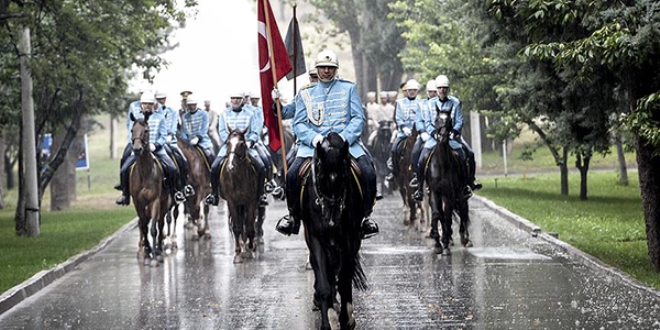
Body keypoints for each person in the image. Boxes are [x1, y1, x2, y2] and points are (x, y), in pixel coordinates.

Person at [274, 49, 379, 239]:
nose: (326, 71)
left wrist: (344, 138)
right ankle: (293, 217)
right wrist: (315, 139)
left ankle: (366, 217)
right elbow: (298, 123)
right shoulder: (305, 93)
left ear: (335, 69)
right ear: (317, 69)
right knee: (291, 176)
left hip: (347, 144)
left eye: (330, 68)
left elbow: (358, 118)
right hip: (313, 146)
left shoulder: (349, 88)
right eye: (323, 68)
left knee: (369, 173)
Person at [411, 74, 482, 201]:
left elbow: (459, 120)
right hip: (434, 139)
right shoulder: (430, 104)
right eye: (440, 88)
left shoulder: (455, 102)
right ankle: (419, 188)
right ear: (437, 89)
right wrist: (434, 134)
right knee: (421, 160)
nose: (442, 90)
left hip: (452, 138)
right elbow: (427, 122)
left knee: (468, 154)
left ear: (448, 89)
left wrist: (453, 133)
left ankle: (467, 184)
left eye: (444, 88)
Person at [116, 92, 185, 205]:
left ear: (153, 104)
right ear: (141, 105)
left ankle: (175, 192)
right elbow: (131, 133)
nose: (147, 106)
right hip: (139, 151)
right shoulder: (136, 120)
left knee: (172, 169)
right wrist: (135, 144)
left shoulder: (160, 118)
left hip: (157, 150)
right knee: (124, 169)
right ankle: (125, 194)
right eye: (145, 104)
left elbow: (163, 136)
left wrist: (156, 145)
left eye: (149, 103)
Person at [205, 91, 269, 207]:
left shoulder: (250, 113)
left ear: (241, 100)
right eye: (233, 98)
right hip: (229, 146)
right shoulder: (224, 114)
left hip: (247, 146)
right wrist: (230, 142)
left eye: (237, 98)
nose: (235, 100)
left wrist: (250, 141)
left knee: (261, 166)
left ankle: (261, 195)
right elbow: (222, 131)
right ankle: (214, 195)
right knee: (214, 167)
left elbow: (255, 130)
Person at [156, 91, 194, 197]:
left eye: (163, 99)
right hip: (154, 143)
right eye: (159, 99)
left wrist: (170, 135)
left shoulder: (171, 111)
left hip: (170, 141)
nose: (161, 101)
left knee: (183, 160)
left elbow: (173, 125)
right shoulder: (152, 113)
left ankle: (184, 186)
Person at [385, 79, 422, 182]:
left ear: (417, 91)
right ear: (407, 91)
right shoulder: (400, 103)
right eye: (410, 90)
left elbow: (423, 117)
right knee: (394, 149)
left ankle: (419, 172)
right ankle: (394, 171)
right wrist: (403, 127)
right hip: (403, 133)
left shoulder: (422, 102)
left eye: (414, 90)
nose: (412, 92)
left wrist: (420, 129)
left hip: (418, 133)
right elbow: (398, 118)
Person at [408, 80, 438, 189]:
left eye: (435, 91)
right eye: (430, 92)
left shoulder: (444, 103)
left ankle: (466, 181)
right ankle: (418, 179)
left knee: (465, 152)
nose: (433, 94)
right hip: (426, 135)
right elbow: (418, 121)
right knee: (416, 153)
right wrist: (422, 132)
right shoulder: (422, 104)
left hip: (443, 135)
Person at [179, 96, 215, 174]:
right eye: (190, 105)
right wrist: (186, 141)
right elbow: (183, 131)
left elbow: (204, 128)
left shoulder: (203, 114)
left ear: (196, 104)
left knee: (210, 155)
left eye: (193, 104)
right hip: (189, 143)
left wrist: (198, 138)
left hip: (203, 142)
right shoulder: (184, 116)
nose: (191, 107)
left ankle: (212, 175)